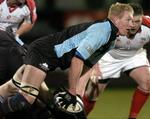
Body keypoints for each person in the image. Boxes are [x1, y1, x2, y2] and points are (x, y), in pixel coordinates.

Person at [0, 2, 134, 119]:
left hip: (49, 58)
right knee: (26, 99)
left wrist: (78, 95)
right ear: (116, 19)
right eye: (128, 20)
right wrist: (72, 91)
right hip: (43, 52)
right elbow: (77, 60)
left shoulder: (111, 40)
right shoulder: (102, 31)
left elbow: (88, 65)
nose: (132, 25)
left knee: (28, 94)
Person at [76, 3, 150, 119]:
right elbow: (94, 46)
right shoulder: (112, 26)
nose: (134, 25)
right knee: (91, 94)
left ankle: (132, 117)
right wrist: (95, 68)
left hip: (134, 56)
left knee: (147, 81)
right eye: (131, 21)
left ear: (143, 17)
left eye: (138, 21)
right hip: (107, 57)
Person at [0, 0, 37, 84]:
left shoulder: (30, 3)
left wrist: (17, 34)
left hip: (11, 39)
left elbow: (30, 21)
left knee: (29, 56)